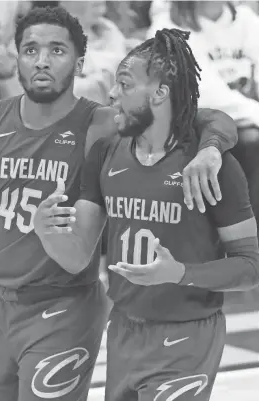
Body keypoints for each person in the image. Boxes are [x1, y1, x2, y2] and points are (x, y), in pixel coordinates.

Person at [0, 6, 238, 401]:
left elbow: (210, 117)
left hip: (63, 304)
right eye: (30, 50)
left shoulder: (105, 124)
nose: (42, 60)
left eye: (57, 50)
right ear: (17, 58)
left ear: (79, 64)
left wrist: (211, 149)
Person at [34, 28, 259, 401]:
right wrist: (47, 232)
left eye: (124, 84)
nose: (111, 93)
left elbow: (251, 268)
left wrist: (181, 274)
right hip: (123, 329)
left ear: (159, 93)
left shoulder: (211, 165)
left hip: (188, 334)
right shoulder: (105, 154)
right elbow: (76, 257)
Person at [147, 1, 259, 231]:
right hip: (194, 121)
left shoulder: (246, 19)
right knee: (250, 142)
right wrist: (254, 112)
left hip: (246, 117)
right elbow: (204, 93)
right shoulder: (167, 26)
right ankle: (244, 234)